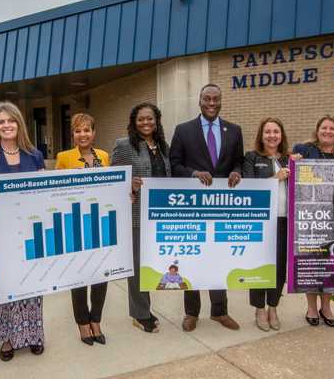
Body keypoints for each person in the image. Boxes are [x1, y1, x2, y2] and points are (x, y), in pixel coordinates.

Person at [0, 101, 46, 360]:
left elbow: (43, 192)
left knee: (31, 285)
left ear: (19, 123)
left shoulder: (34, 155)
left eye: (10, 121)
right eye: (0, 121)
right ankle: (8, 339)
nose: (6, 125)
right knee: (4, 286)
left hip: (29, 233)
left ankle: (33, 333)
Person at [169, 83, 244, 332]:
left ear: (221, 101)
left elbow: (239, 162)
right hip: (193, 208)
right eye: (207, 99)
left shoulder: (234, 130)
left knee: (219, 259)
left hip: (222, 208)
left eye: (216, 99)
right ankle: (192, 312)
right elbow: (174, 165)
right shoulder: (183, 130)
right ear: (199, 101)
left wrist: (236, 171)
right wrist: (193, 174)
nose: (211, 103)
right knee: (192, 259)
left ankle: (219, 311)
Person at [292, 115, 334, 328]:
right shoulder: (304, 149)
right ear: (317, 130)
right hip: (310, 216)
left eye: (332, 128)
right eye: (324, 128)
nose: (327, 131)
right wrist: (293, 163)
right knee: (311, 261)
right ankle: (311, 306)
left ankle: (326, 306)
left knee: (331, 262)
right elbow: (293, 174)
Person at [111, 103, 171, 333]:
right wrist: (130, 184)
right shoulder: (124, 145)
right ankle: (140, 313)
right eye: (141, 119)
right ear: (134, 122)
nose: (146, 123)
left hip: (159, 216)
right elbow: (113, 178)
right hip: (136, 215)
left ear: (157, 121)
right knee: (137, 266)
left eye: (150, 119)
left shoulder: (164, 147)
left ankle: (144, 308)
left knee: (151, 265)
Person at [55, 113, 110, 346]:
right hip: (75, 223)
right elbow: (56, 193)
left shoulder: (105, 156)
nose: (83, 134)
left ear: (94, 133)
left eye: (87, 130)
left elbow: (111, 186)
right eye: (78, 130)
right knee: (79, 276)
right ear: (73, 135)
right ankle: (82, 322)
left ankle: (96, 319)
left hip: (101, 223)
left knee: (101, 274)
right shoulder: (64, 157)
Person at [242, 117, 292, 332]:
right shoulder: (252, 158)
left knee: (279, 268)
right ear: (261, 135)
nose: (272, 136)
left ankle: (273, 307)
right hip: (261, 222)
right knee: (260, 265)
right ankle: (259, 309)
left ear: (282, 136)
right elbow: (249, 188)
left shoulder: (291, 159)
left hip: (284, 221)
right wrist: (275, 178)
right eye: (268, 132)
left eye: (276, 132)